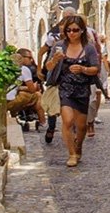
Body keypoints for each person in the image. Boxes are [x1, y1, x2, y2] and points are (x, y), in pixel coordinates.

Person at [43, 14, 101, 167]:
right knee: (67, 121)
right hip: (65, 89)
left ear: (82, 30)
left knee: (81, 126)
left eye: (75, 30)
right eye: (68, 30)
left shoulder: (89, 48)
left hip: (82, 89)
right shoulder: (59, 46)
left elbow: (96, 69)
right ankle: (71, 154)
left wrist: (83, 69)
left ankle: (79, 146)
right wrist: (55, 59)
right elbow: (48, 67)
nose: (71, 33)